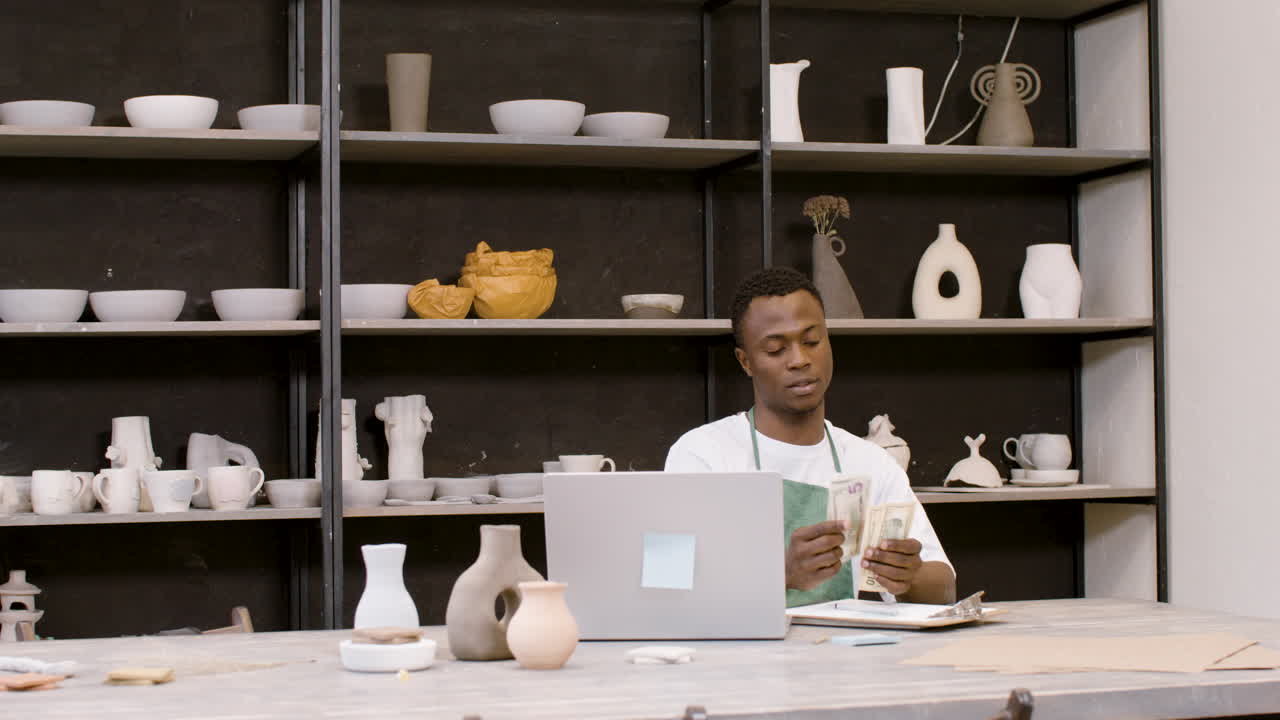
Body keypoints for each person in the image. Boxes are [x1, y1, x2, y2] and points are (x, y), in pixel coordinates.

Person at [665, 267, 956, 606]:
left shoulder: (870, 462)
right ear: (745, 362)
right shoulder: (703, 455)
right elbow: (670, 585)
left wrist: (909, 577)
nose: (800, 360)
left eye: (812, 341)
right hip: (741, 657)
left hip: (844, 654)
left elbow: (945, 587)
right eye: (776, 349)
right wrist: (783, 574)